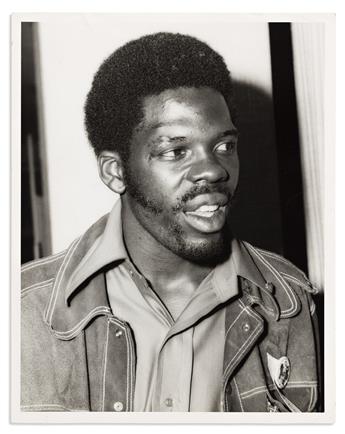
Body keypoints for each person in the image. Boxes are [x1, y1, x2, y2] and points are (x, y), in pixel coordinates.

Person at [21, 32, 321, 412]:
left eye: (224, 146)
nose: (213, 170)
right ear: (115, 172)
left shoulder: (289, 302)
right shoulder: (24, 311)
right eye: (176, 151)